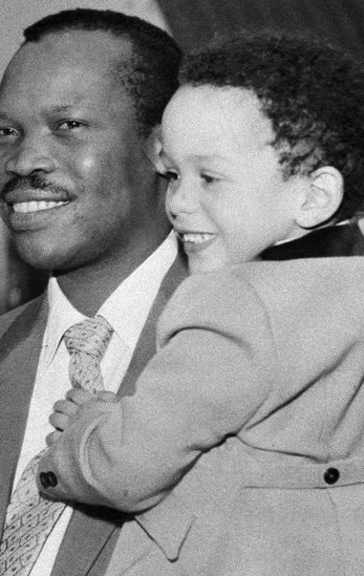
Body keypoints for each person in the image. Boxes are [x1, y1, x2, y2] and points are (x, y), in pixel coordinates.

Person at [38, 32, 364, 576]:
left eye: (209, 178)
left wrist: (84, 434)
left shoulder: (233, 304)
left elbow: (126, 468)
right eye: (173, 175)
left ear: (313, 196)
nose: (179, 202)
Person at [0, 9, 183, 576]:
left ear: (163, 147)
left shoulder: (251, 350)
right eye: (5, 132)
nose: (22, 161)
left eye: (67, 124)